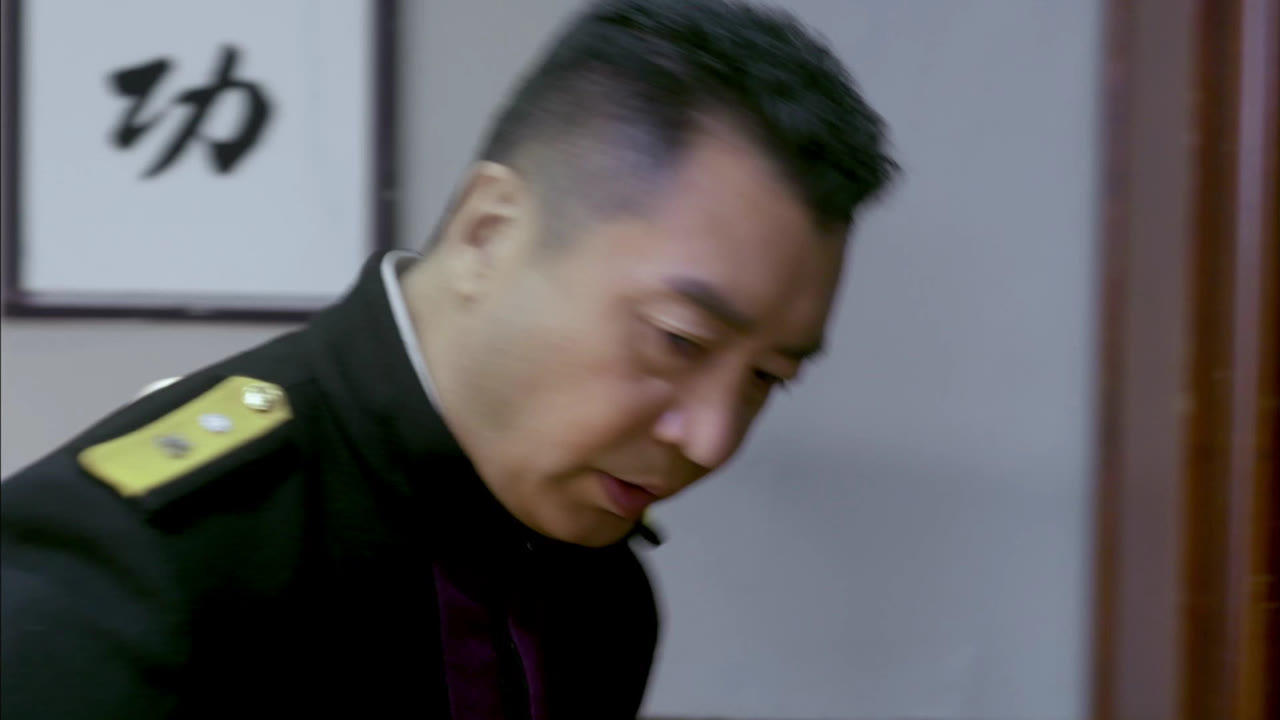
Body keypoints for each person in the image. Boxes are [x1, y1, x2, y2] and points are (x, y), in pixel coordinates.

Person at [0, 0, 895, 717]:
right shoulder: (137, 567)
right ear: (488, 232)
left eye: (767, 378)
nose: (711, 439)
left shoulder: (599, 595)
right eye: (680, 340)